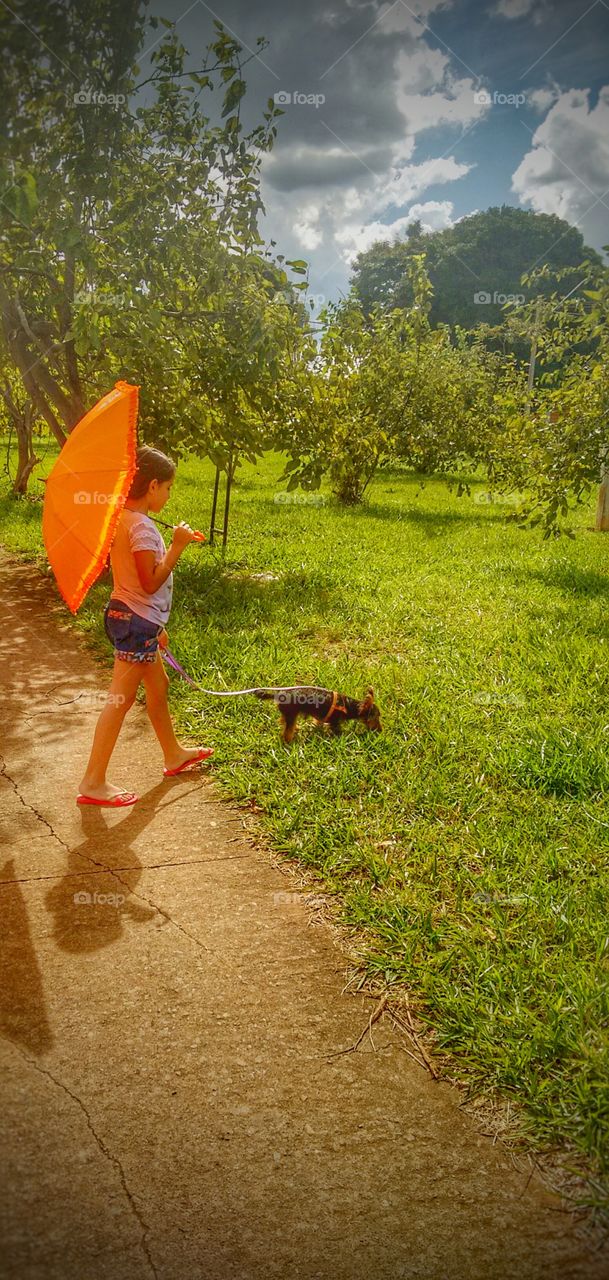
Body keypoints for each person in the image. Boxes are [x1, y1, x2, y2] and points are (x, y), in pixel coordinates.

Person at [77, 445, 213, 807]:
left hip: (135, 618)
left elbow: (139, 586)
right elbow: (150, 581)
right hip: (136, 622)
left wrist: (156, 628)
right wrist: (177, 546)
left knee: (159, 684)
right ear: (152, 486)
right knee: (119, 700)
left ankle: (173, 754)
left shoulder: (122, 518)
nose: (168, 495)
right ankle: (92, 781)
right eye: (168, 488)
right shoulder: (142, 528)